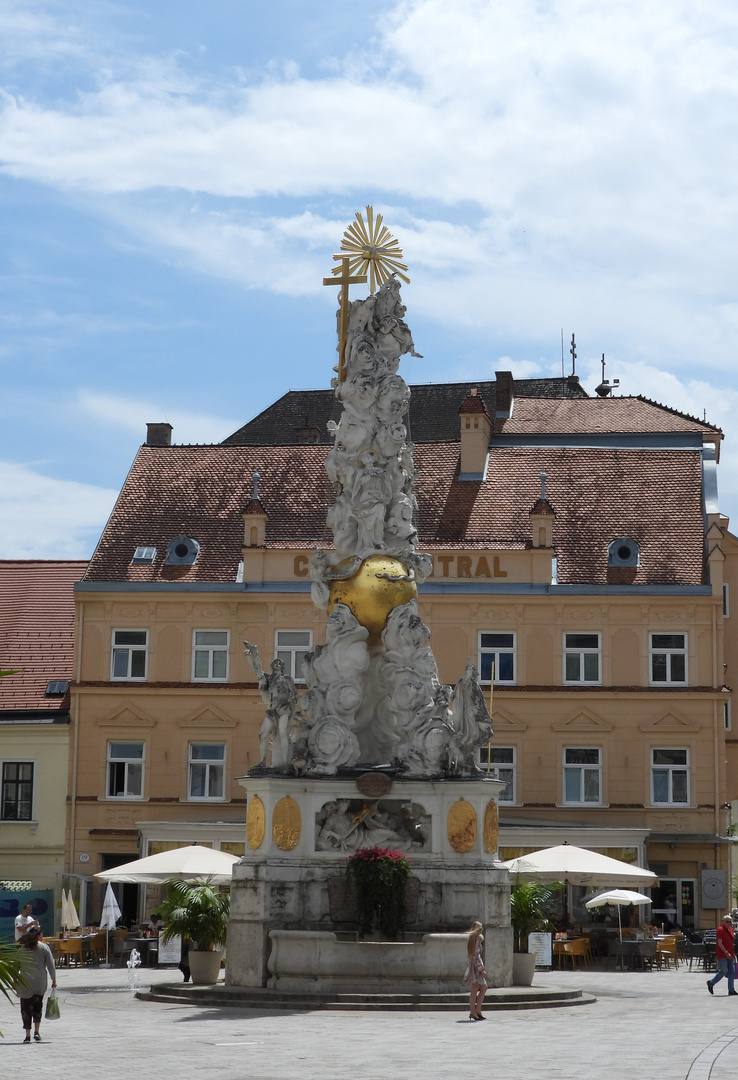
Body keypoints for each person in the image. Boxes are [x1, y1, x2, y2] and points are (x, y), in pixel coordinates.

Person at [17, 926, 56, 1043]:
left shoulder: (22, 949)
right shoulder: (44, 948)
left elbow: (16, 966)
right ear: (38, 935)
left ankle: (27, 1035)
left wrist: (14, 980)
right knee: (37, 1007)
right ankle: (37, 1032)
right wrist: (54, 979)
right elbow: (51, 965)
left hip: (25, 981)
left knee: (25, 1008)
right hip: (40, 982)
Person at [463, 920, 488, 1021]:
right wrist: (481, 969)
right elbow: (476, 956)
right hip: (476, 968)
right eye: (481, 928)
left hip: (473, 966)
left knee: (480, 988)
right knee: (479, 988)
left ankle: (476, 1010)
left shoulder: (472, 939)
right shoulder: (476, 939)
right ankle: (474, 1011)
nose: (482, 930)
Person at [707, 914, 737, 996]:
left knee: (732, 972)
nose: (729, 923)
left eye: (730, 922)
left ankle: (731, 990)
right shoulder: (720, 930)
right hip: (723, 954)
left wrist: (732, 953)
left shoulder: (730, 929)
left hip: (731, 954)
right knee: (724, 971)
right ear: (723, 922)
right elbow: (719, 943)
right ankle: (711, 982)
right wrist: (726, 952)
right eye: (727, 921)